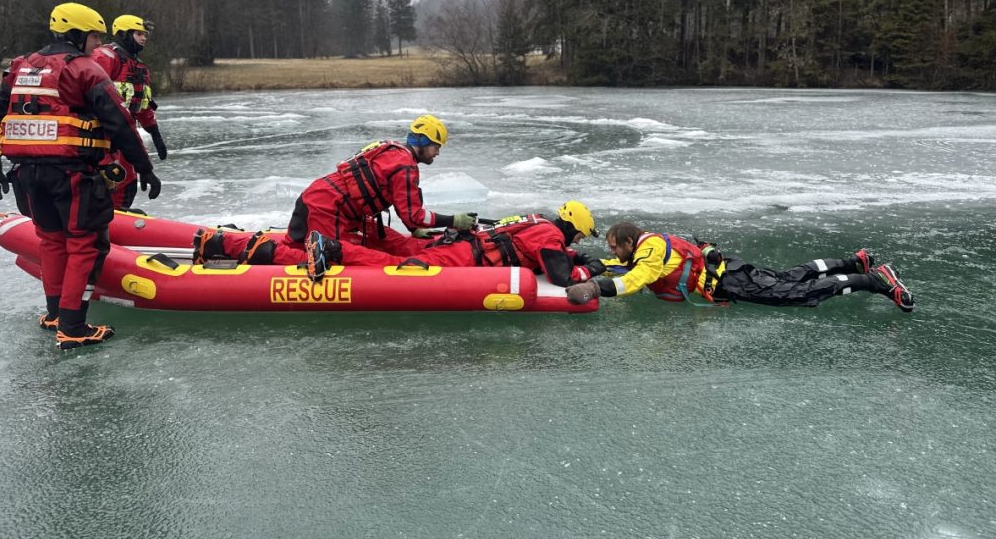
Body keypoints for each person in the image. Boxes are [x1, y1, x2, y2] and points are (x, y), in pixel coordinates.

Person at [0, 2, 162, 349]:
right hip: (72, 175)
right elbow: (118, 122)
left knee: (51, 241)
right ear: (78, 34)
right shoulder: (84, 71)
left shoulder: (21, 67)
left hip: (26, 176)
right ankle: (74, 327)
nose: (97, 44)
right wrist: (145, 168)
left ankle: (54, 315)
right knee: (84, 244)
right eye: (93, 36)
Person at [193, 114, 477, 265]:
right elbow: (414, 215)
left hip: (326, 201)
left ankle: (224, 242)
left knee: (386, 242)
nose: (438, 153)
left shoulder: (392, 151)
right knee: (330, 255)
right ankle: (234, 245)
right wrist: (454, 221)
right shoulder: (405, 166)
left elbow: (405, 212)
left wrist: (416, 231)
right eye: (437, 146)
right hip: (329, 208)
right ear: (425, 141)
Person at [202, 200, 607, 288]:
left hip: (457, 249)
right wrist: (589, 269)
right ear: (570, 228)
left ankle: (242, 244)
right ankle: (334, 249)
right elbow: (560, 274)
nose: (572, 241)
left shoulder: (536, 222)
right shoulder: (550, 235)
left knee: (385, 255)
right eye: (575, 237)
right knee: (381, 266)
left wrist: (571, 255)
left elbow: (539, 251)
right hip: (457, 260)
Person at [565, 221, 914, 312]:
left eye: (614, 247)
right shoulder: (649, 244)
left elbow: (638, 278)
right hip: (729, 270)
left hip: (727, 283)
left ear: (629, 241)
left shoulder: (650, 252)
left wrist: (595, 287)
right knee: (787, 277)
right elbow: (623, 267)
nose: (612, 251)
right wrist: (591, 264)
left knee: (796, 295)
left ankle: (874, 280)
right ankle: (852, 261)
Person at [91, 14, 166, 209]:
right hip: (101, 132)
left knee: (128, 179)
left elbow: (141, 103)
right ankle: (102, 219)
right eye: (139, 33)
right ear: (124, 33)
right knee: (111, 177)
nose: (144, 38)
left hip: (124, 132)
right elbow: (88, 92)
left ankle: (116, 220)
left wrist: (154, 132)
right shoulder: (104, 57)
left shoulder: (139, 67)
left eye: (145, 35)